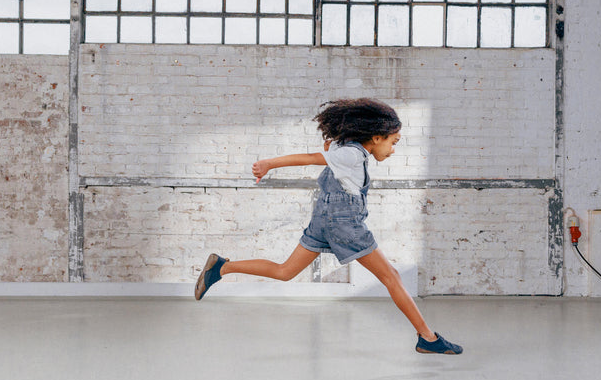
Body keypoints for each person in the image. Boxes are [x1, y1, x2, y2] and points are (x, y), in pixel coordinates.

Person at [194, 98, 462, 355]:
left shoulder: (344, 148)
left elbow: (325, 148)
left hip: (324, 217)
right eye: (393, 142)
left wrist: (330, 145)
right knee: (391, 276)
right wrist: (269, 164)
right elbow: (312, 157)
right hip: (343, 222)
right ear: (377, 137)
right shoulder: (352, 155)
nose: (393, 150)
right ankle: (428, 339)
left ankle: (222, 266)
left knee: (286, 271)